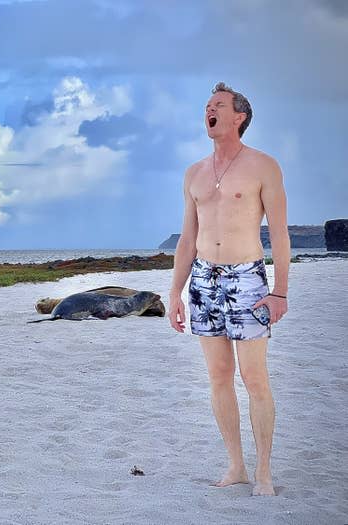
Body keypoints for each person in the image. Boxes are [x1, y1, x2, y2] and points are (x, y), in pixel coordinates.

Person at [168, 82, 290, 497]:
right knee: (219, 376)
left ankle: (265, 472)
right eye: (206, 106)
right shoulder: (194, 173)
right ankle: (236, 465)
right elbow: (187, 239)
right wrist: (174, 294)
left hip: (247, 278)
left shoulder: (263, 166)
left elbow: (279, 233)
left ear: (239, 116)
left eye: (217, 105)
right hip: (203, 280)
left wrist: (280, 291)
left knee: (254, 377)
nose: (209, 111)